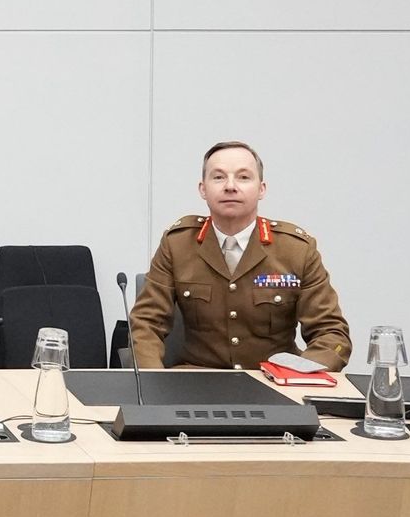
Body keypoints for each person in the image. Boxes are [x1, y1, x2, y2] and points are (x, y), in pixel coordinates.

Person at [131, 140, 351, 370]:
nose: (230, 186)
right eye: (218, 177)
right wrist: (150, 382)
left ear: (261, 189)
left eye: (243, 177)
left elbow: (331, 333)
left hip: (274, 380)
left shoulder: (296, 250)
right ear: (203, 189)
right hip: (198, 379)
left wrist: (299, 376)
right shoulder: (178, 244)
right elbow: (146, 323)